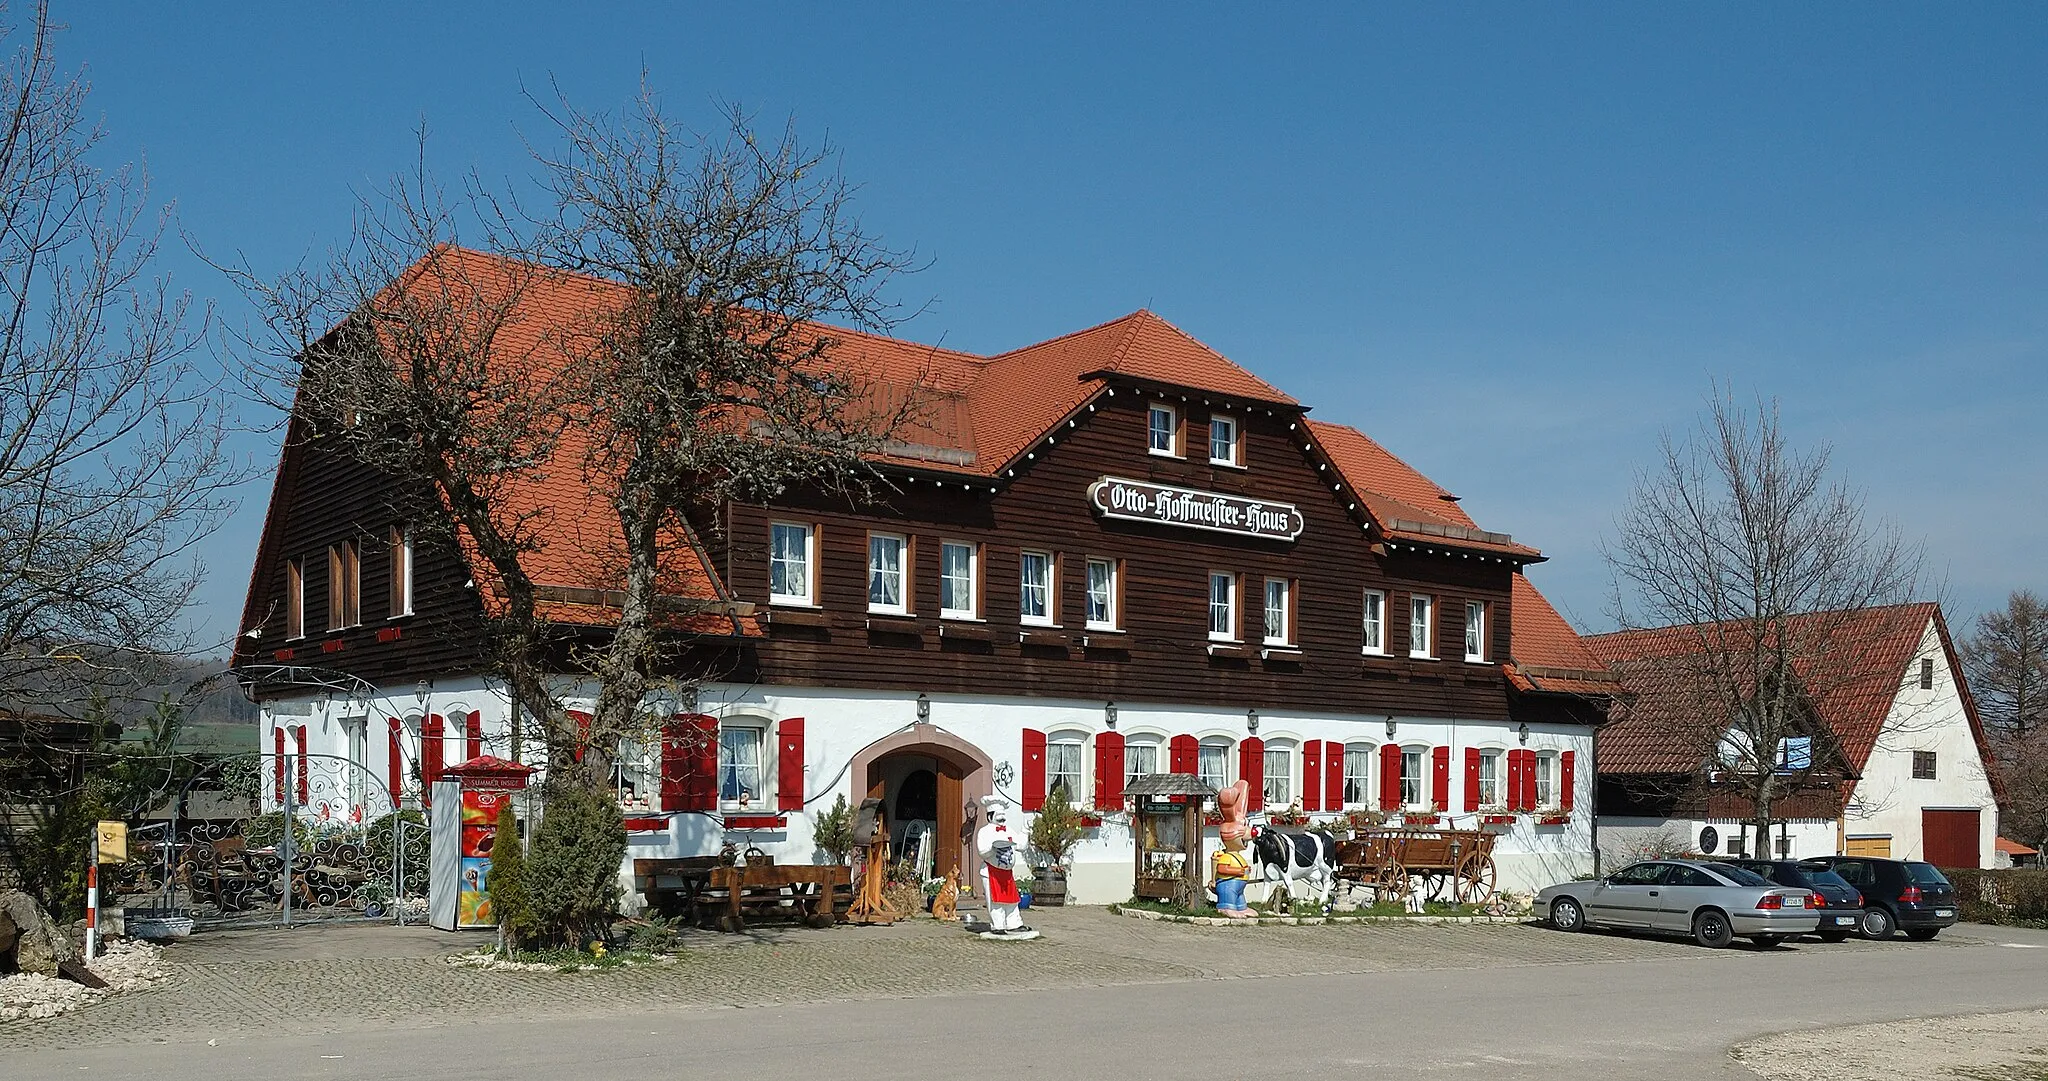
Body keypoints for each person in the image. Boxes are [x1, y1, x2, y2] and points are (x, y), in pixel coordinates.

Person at [975, 795, 1036, 938]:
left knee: (1012, 900)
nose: (1002, 818)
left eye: (1003, 815)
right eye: (999, 815)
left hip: (1007, 872)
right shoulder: (984, 831)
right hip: (991, 871)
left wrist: (1025, 830)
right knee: (995, 900)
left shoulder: (1008, 830)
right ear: (990, 816)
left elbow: (1021, 845)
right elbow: (982, 851)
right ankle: (998, 925)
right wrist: (993, 848)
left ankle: (1014, 924)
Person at [1212, 780, 1255, 918]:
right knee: (1229, 894)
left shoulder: (1236, 855)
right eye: (1243, 827)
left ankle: (1241, 907)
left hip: (1238, 887)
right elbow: (1222, 869)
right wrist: (1240, 871)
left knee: (1239, 896)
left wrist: (1246, 870)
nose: (1251, 832)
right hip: (1227, 885)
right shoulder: (1226, 856)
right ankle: (1226, 907)